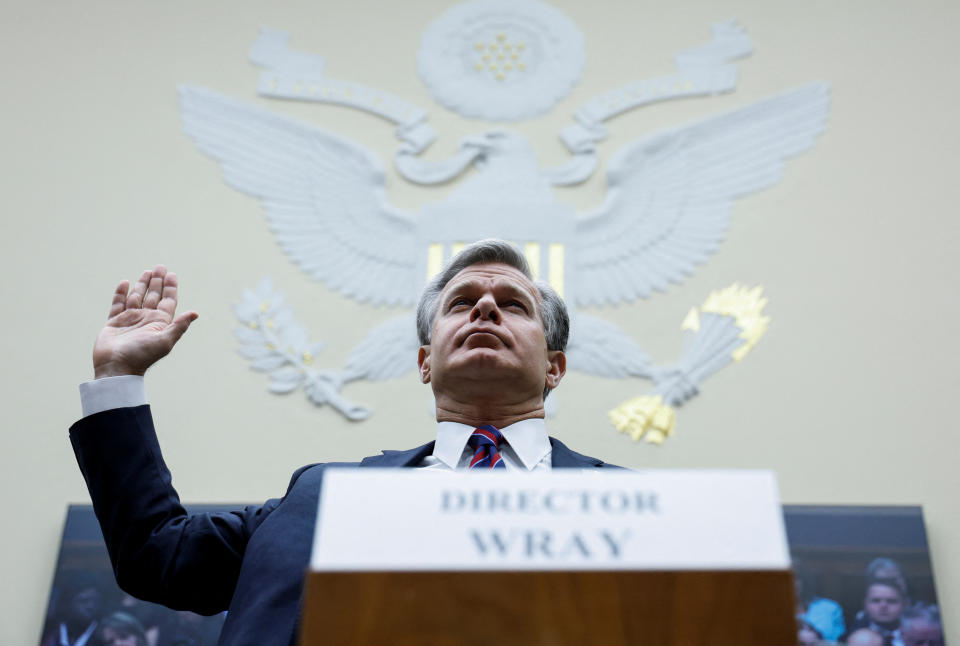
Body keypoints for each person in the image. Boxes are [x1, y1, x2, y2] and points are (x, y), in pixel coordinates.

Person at [69, 240, 620, 646]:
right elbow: (155, 554)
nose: (484, 308)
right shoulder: (318, 494)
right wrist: (118, 375)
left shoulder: (630, 503)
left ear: (554, 366)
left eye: (514, 304)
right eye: (461, 302)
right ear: (426, 362)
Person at [846, 577, 908, 646]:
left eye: (891, 601)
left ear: (905, 604)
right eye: (876, 600)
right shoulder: (849, 637)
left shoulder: (918, 635)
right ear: (865, 604)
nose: (883, 606)